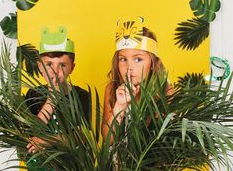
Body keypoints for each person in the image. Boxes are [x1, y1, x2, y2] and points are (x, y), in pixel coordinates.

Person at [102, 17, 173, 142]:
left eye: (138, 59)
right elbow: (108, 140)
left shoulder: (165, 90)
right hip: (118, 160)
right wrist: (120, 106)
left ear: (152, 63)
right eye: (123, 59)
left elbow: (170, 140)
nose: (129, 67)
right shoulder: (112, 89)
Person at [25, 26, 90, 155]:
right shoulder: (33, 94)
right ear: (40, 67)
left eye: (63, 65)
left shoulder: (81, 95)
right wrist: (52, 99)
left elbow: (81, 136)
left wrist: (48, 140)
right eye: (49, 65)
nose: (55, 71)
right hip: (40, 164)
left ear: (72, 68)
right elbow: (30, 131)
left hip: (72, 163)